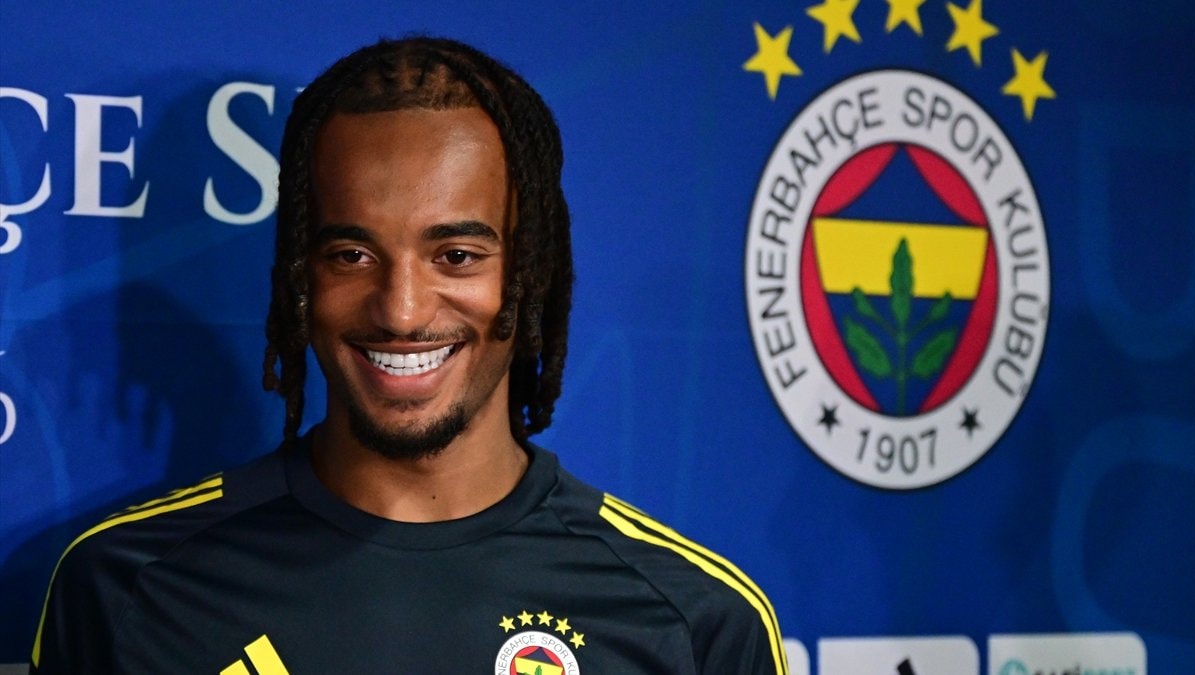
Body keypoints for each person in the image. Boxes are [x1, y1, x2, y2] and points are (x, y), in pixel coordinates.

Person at [31, 36, 788, 674]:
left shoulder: (693, 620)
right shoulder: (125, 587)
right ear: (299, 274)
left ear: (530, 274)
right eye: (352, 255)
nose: (401, 311)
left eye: (456, 256)